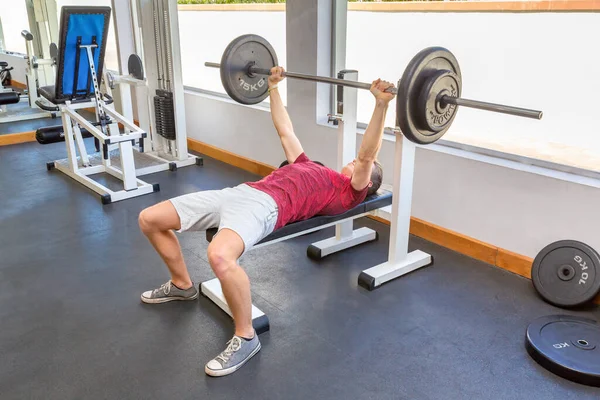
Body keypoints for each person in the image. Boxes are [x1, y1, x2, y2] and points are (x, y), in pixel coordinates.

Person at [137, 66, 395, 377]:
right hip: (239, 192)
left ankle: (246, 336)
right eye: (354, 161)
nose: (354, 161)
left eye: (361, 167)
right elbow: (285, 129)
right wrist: (273, 87)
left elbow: (367, 155)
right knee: (150, 219)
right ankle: (182, 285)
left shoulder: (348, 193)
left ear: (367, 183)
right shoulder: (309, 165)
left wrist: (381, 105)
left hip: (266, 207)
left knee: (219, 256)